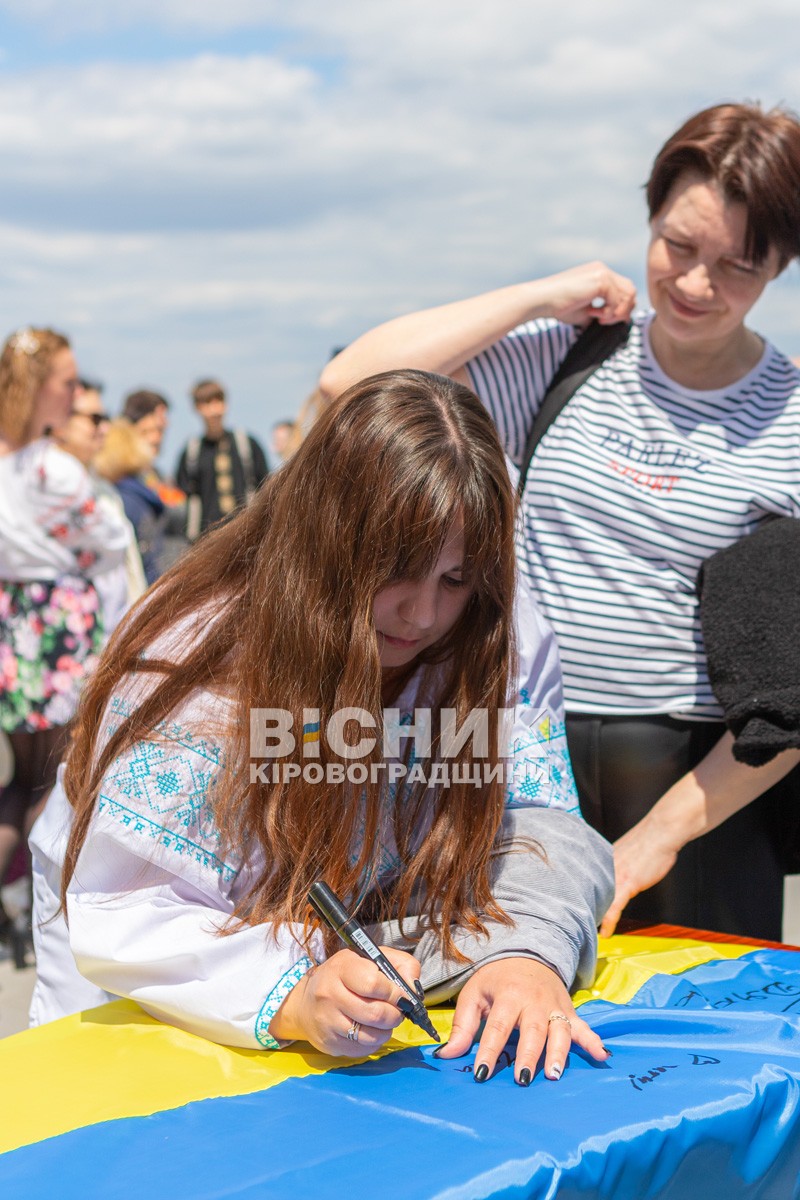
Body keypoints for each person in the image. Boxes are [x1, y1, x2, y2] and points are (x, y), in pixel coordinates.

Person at [30, 369, 613, 1086]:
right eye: (398, 569)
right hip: (163, 1009)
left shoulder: (494, 636)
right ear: (330, 543)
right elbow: (130, 911)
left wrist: (525, 952)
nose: (423, 615)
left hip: (357, 1016)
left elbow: (535, 819)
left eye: (455, 579)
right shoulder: (198, 665)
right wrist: (293, 997)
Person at [319, 102, 800, 942]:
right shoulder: (570, 356)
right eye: (677, 246)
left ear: (780, 268)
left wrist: (656, 841)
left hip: (700, 800)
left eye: (736, 266)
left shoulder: (790, 419)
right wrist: (542, 294)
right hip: (521, 764)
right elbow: (351, 383)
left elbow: (790, 696)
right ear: (648, 220)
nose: (695, 284)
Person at [0, 327, 129, 960]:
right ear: (40, 386)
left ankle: (16, 907)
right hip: (55, 619)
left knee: (21, 777)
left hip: (11, 617)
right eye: (68, 383)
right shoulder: (49, 466)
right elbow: (107, 531)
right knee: (51, 777)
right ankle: (27, 911)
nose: (75, 393)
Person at [175, 378, 269, 540]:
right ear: (197, 408)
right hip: (206, 539)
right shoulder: (192, 451)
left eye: (219, 401)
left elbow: (266, 485)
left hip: (247, 534)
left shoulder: (246, 444)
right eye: (207, 403)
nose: (214, 409)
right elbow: (184, 494)